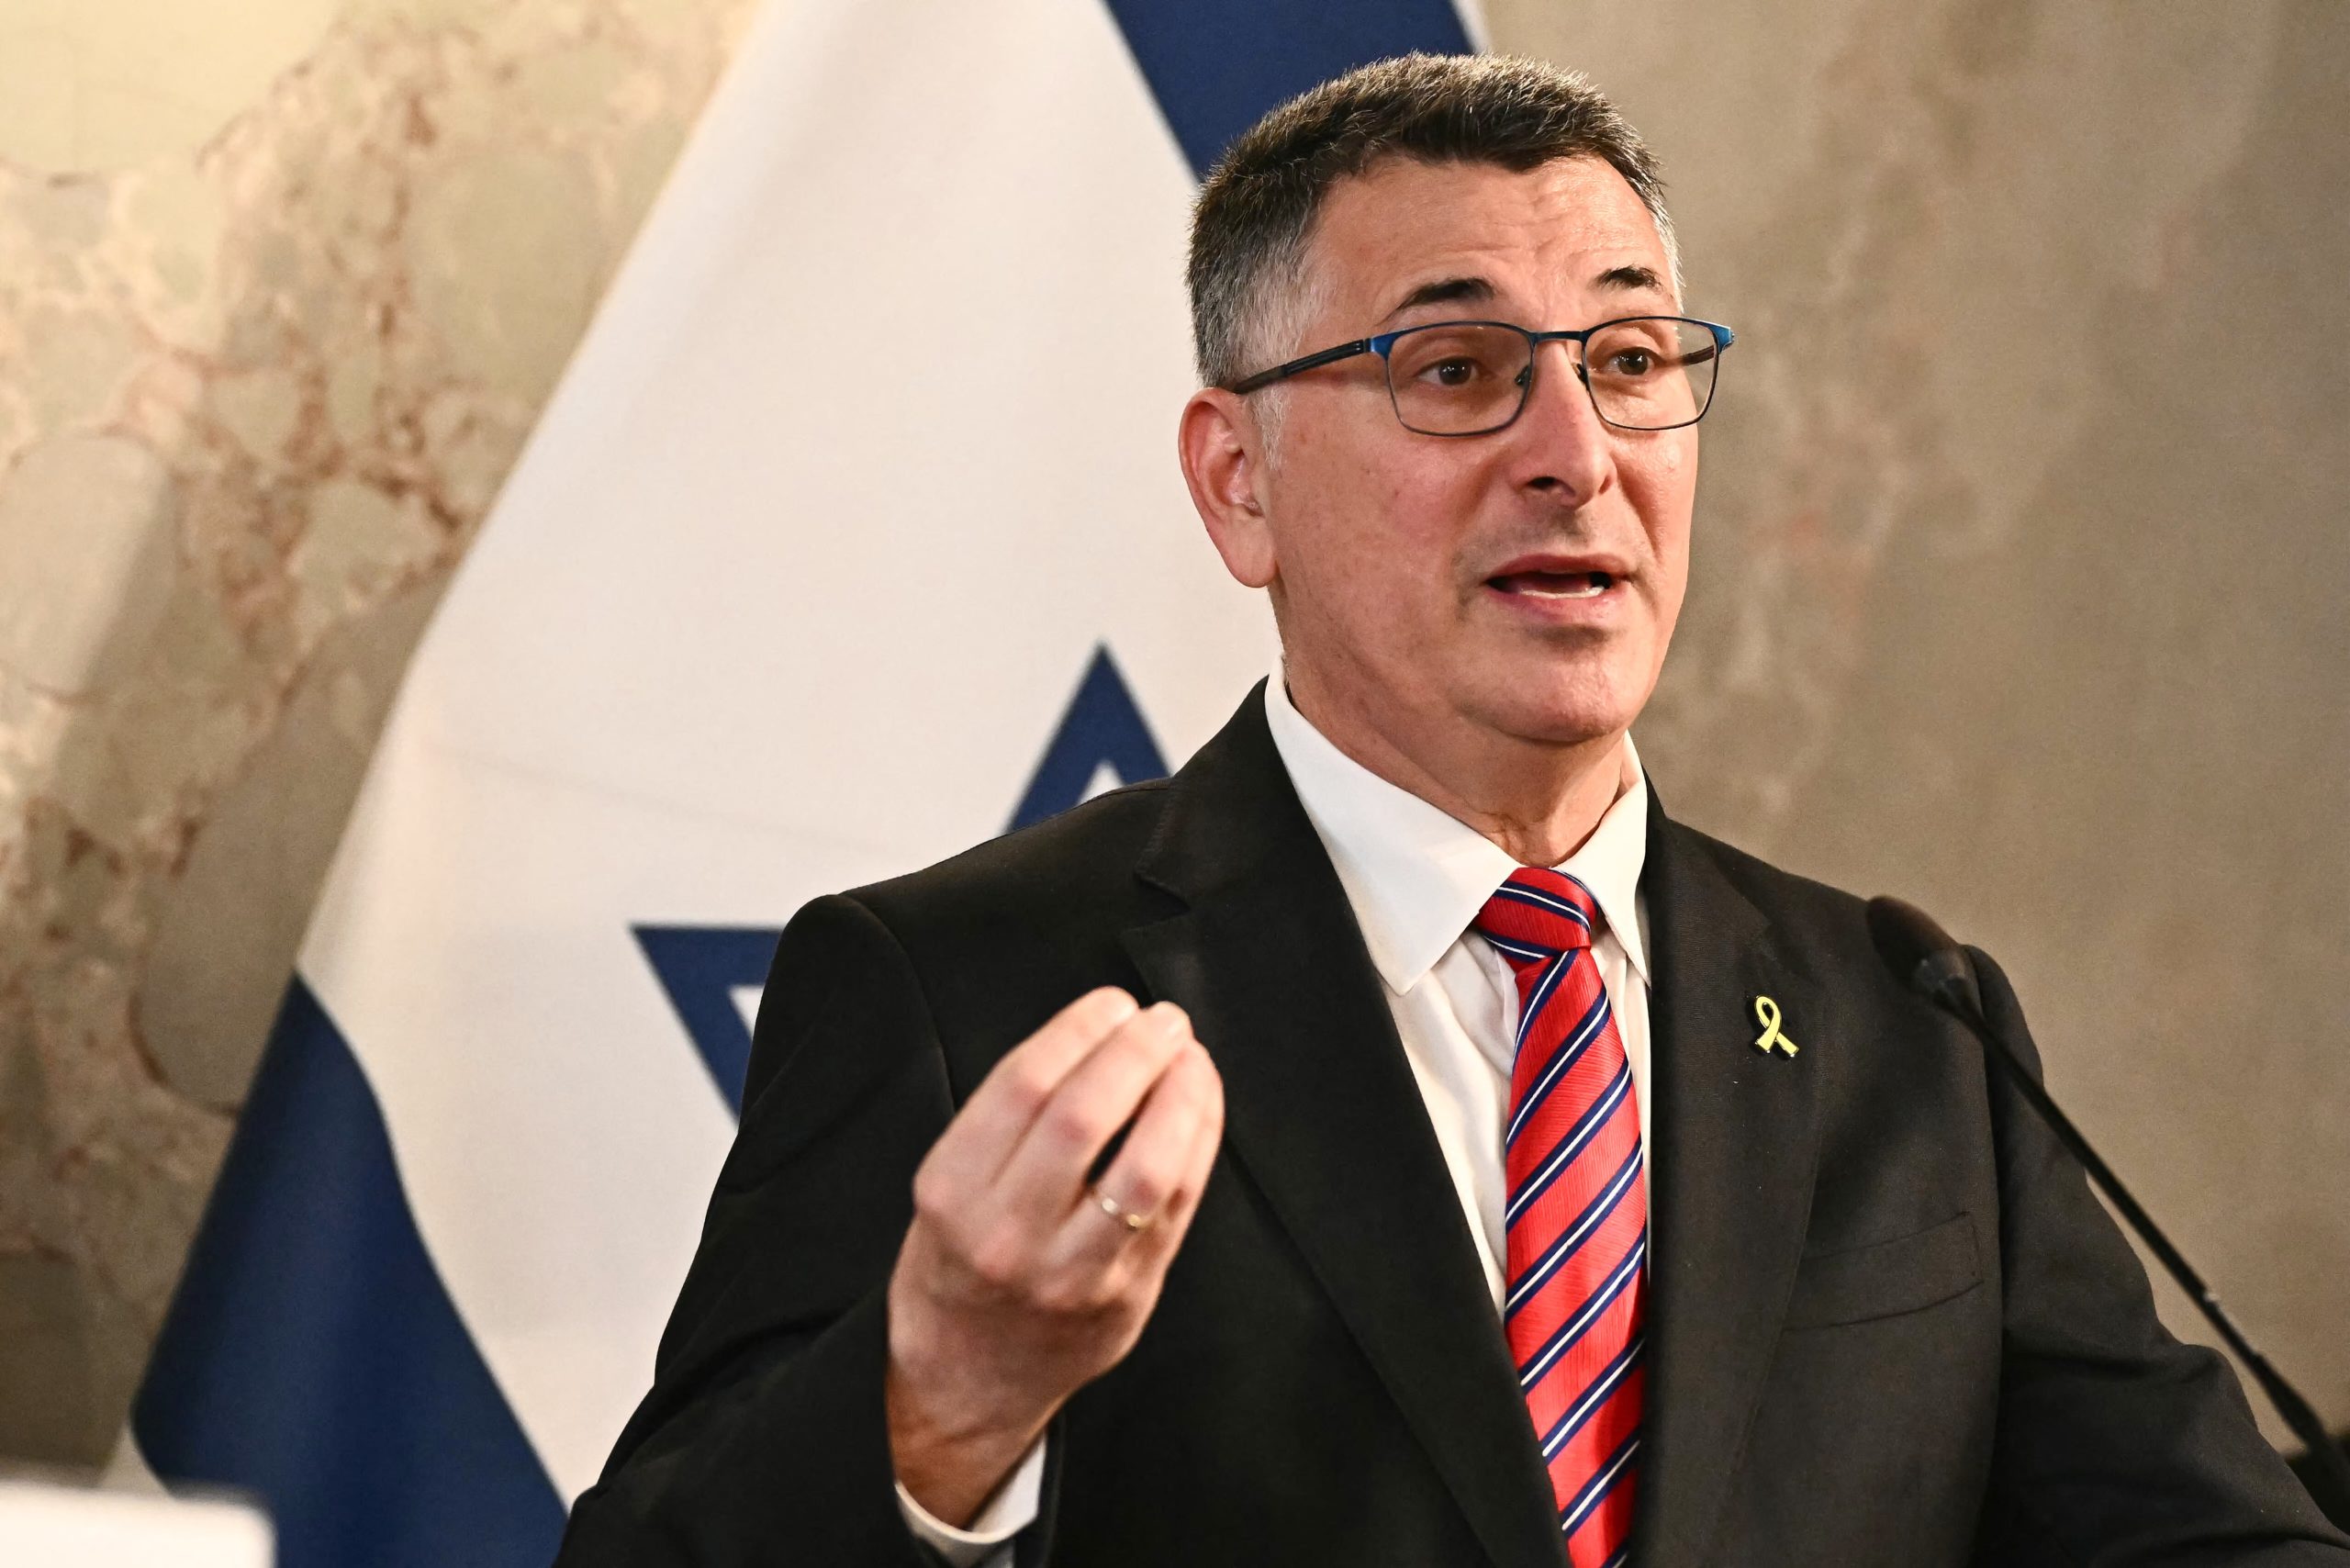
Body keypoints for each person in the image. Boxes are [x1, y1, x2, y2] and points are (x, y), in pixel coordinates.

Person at [554, 54, 2348, 1568]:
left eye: (1629, 361)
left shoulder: (1907, 1020)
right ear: (1237, 483)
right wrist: (941, 1397)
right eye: (1458, 371)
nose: (1577, 453)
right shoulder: (965, 992)